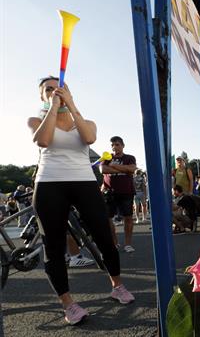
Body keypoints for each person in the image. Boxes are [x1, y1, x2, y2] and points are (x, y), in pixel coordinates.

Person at [28, 76, 134, 325]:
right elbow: (43, 140)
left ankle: (117, 286)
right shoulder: (35, 120)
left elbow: (89, 139)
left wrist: (71, 106)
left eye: (61, 88)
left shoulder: (86, 122)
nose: (56, 92)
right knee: (53, 248)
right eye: (49, 90)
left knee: (105, 238)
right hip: (48, 185)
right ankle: (68, 303)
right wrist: (53, 107)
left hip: (84, 183)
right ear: (42, 97)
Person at [100, 136, 137, 253]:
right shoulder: (106, 157)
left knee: (128, 218)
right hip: (109, 193)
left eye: (117, 144)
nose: (114, 147)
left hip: (126, 192)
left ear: (122, 145)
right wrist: (123, 169)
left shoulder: (130, 157)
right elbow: (103, 170)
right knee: (108, 218)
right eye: (112, 145)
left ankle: (128, 244)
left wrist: (114, 166)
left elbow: (132, 169)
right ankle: (115, 242)